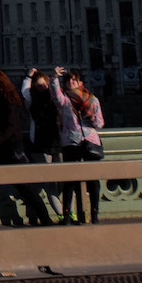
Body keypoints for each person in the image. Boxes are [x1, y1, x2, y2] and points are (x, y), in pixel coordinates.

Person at [0, 69, 53, 230]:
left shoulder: (6, 101)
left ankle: (46, 220)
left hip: (9, 152)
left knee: (25, 189)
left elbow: (10, 128)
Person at [54, 67, 104, 224]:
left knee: (93, 181)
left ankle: (94, 214)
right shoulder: (65, 100)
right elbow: (55, 95)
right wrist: (54, 78)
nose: (71, 82)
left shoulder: (92, 100)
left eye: (74, 80)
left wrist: (91, 118)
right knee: (70, 180)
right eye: (68, 80)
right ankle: (67, 214)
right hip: (71, 142)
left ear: (80, 82)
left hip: (90, 141)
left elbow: (100, 123)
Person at [22, 68, 63, 219]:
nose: (43, 88)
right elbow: (25, 91)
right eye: (38, 86)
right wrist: (28, 76)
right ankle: (63, 214)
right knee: (49, 184)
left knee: (64, 179)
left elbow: (57, 91)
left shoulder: (56, 100)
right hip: (40, 144)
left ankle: (66, 212)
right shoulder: (31, 100)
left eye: (44, 85)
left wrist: (55, 78)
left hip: (58, 142)